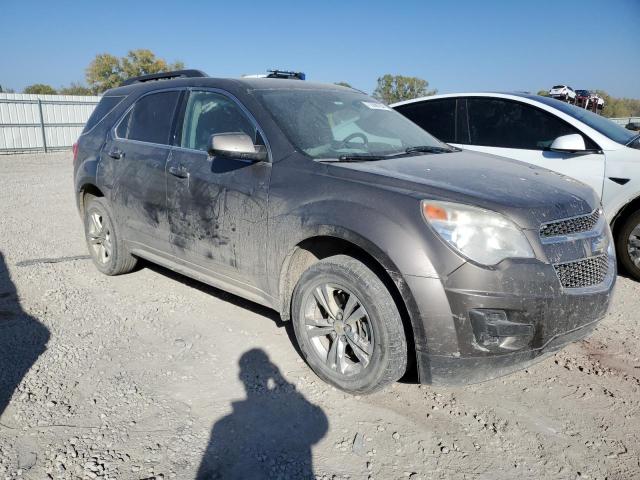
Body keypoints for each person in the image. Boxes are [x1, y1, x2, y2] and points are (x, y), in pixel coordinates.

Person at [196, 348, 328, 479]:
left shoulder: (222, 424)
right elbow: (320, 427)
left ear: (241, 377)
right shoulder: (222, 424)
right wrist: (282, 381)